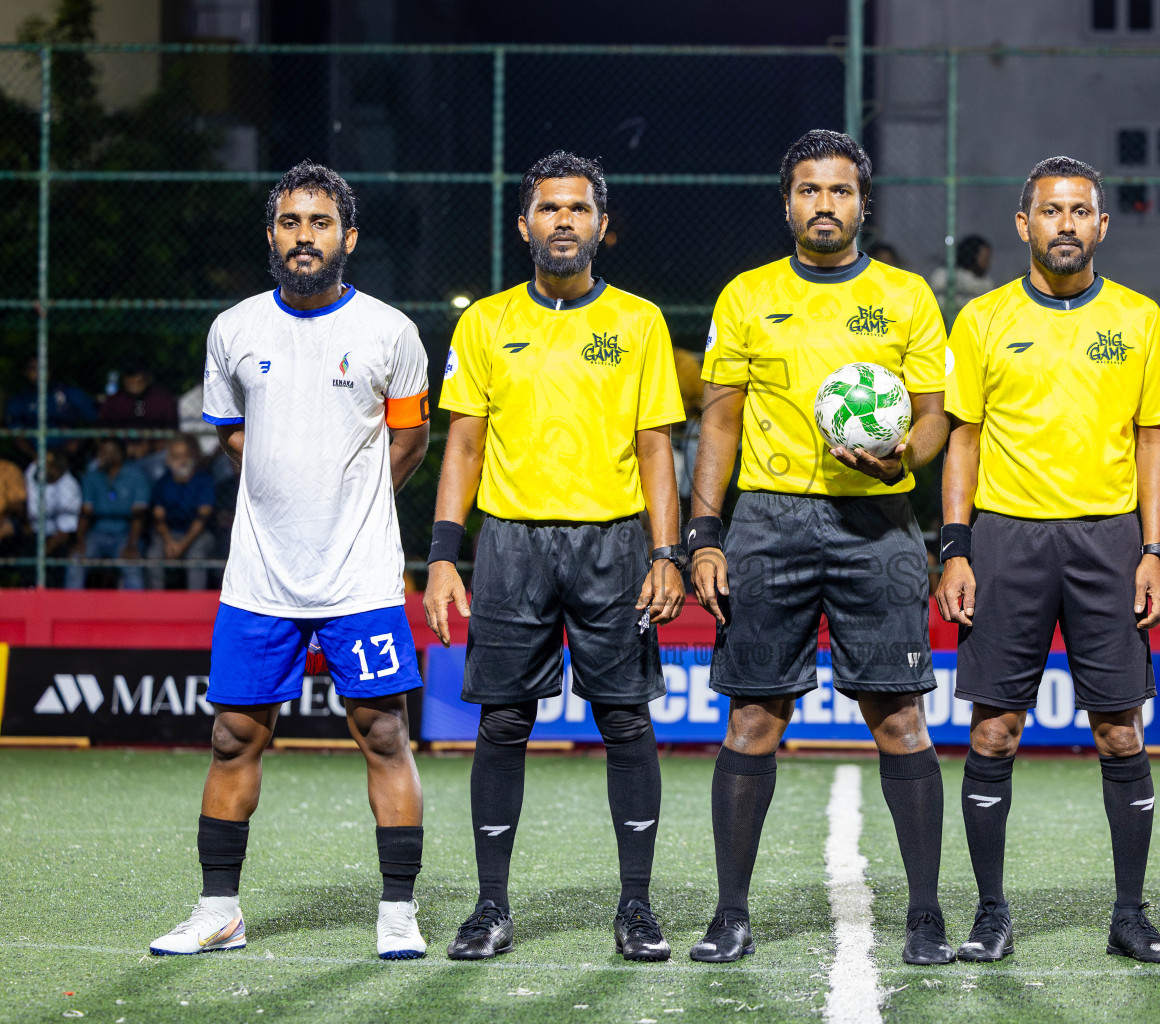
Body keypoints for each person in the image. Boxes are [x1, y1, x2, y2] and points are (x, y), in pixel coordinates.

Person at [149, 161, 432, 961]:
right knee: (232, 736)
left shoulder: (390, 331)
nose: (304, 236)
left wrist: (348, 503)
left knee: (384, 732)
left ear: (349, 236)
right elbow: (233, 434)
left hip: (359, 577)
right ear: (271, 235)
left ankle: (398, 911)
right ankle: (219, 912)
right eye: (289, 222)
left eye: (319, 222)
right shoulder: (234, 329)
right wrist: (291, 492)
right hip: (260, 578)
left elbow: (410, 439)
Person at [687, 129, 954, 966]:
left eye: (840, 191)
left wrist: (902, 457)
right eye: (809, 190)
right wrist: (704, 534)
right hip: (769, 524)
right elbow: (718, 422)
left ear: (862, 203)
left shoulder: (907, 296)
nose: (825, 204)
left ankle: (924, 916)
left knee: (900, 718)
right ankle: (731, 915)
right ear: (788, 203)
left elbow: (934, 416)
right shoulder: (747, 295)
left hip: (879, 522)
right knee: (754, 717)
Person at [424, 151, 686, 963]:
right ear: (524, 225)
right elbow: (463, 447)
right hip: (511, 544)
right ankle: (490, 907)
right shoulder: (485, 323)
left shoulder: (639, 322)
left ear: (602, 226)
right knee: (503, 721)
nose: (563, 220)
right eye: (549, 208)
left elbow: (657, 448)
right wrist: (442, 557)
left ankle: (636, 907)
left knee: (625, 719)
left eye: (578, 208)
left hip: (613, 542)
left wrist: (667, 553)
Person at [937, 156, 1160, 965]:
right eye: (1051, 210)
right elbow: (963, 440)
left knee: (1120, 731)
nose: (1067, 224)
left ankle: (1130, 915)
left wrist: (1154, 549)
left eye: (1081, 211)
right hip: (1006, 539)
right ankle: (991, 914)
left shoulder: (1140, 318)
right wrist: (956, 548)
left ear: (1102, 226)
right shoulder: (981, 319)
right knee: (995, 731)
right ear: (1025, 224)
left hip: (1109, 542)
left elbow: (1155, 439)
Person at [67, 436, 149, 589]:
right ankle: (72, 604)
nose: (100, 456)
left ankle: (136, 605)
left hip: (125, 533)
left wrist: (132, 545)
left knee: (132, 565)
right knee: (76, 560)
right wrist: (79, 541)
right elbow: (86, 512)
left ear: (119, 455)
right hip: (98, 533)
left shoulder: (136, 476)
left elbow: (138, 516)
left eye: (105, 452)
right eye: (99, 451)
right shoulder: (92, 476)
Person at [146, 435, 218, 590]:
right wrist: (169, 541)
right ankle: (155, 601)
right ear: (169, 460)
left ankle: (195, 601)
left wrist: (182, 546)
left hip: (198, 534)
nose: (182, 460)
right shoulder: (162, 483)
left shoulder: (204, 481)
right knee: (154, 554)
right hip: (169, 533)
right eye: (177, 456)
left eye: (186, 455)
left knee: (196, 555)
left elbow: (202, 518)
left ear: (193, 458)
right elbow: (159, 518)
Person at [6, 357, 97, 460]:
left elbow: (92, 422)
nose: (39, 373)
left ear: (50, 371)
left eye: (43, 368)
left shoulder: (69, 393)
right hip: (32, 456)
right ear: (26, 373)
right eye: (33, 369)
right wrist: (37, 457)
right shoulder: (19, 400)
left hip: (68, 455)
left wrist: (78, 441)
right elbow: (16, 435)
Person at [25, 447, 83, 567]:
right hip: (29, 529)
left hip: (53, 537)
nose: (39, 464)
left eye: (46, 464)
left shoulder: (69, 487)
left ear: (56, 468)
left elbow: (64, 533)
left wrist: (41, 555)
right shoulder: (34, 470)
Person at [98, 362, 179, 429]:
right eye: (130, 383)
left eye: (138, 382)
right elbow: (102, 429)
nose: (134, 387)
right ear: (124, 380)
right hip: (121, 443)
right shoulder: (113, 401)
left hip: (158, 443)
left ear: (147, 379)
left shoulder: (163, 399)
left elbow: (172, 429)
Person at [928, 234, 996, 305]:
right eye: (985, 259)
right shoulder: (944, 275)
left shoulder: (986, 283)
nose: (988, 264)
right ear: (973, 255)